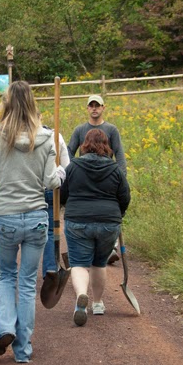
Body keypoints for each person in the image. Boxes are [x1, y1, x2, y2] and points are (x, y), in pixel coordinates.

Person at [0, 81, 65, 363]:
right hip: (37, 217)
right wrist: (60, 173)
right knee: (26, 282)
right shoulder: (47, 138)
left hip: (6, 217)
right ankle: (23, 350)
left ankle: (5, 328)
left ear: (6, 103)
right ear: (33, 103)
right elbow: (51, 182)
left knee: (8, 276)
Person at [61, 128, 130, 325]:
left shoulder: (73, 166)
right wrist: (119, 213)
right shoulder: (115, 169)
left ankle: (81, 296)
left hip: (78, 221)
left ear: (84, 145)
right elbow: (125, 196)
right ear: (106, 146)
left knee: (79, 263)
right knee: (99, 263)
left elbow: (63, 194)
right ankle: (98, 303)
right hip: (108, 222)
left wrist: (67, 205)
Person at [68, 94, 126, 264]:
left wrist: (122, 177)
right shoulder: (79, 130)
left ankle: (111, 247)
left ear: (103, 108)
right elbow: (69, 151)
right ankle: (91, 251)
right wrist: (73, 169)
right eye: (91, 105)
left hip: (106, 177)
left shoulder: (111, 130)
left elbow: (120, 154)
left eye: (97, 105)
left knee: (109, 209)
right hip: (84, 178)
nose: (94, 108)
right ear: (87, 108)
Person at [41, 113, 70, 279]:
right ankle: (50, 270)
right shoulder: (56, 137)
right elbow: (67, 166)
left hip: (32, 191)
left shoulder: (28, 138)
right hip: (52, 189)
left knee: (35, 231)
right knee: (51, 231)